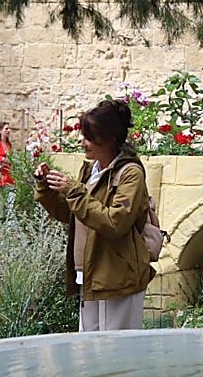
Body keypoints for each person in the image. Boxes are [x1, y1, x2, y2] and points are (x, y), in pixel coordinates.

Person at [34, 100, 152, 331]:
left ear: (110, 139)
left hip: (117, 277)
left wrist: (73, 191)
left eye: (89, 137)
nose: (83, 142)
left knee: (116, 348)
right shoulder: (90, 170)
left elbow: (115, 223)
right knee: (89, 347)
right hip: (89, 273)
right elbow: (71, 214)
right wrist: (45, 187)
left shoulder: (131, 174)